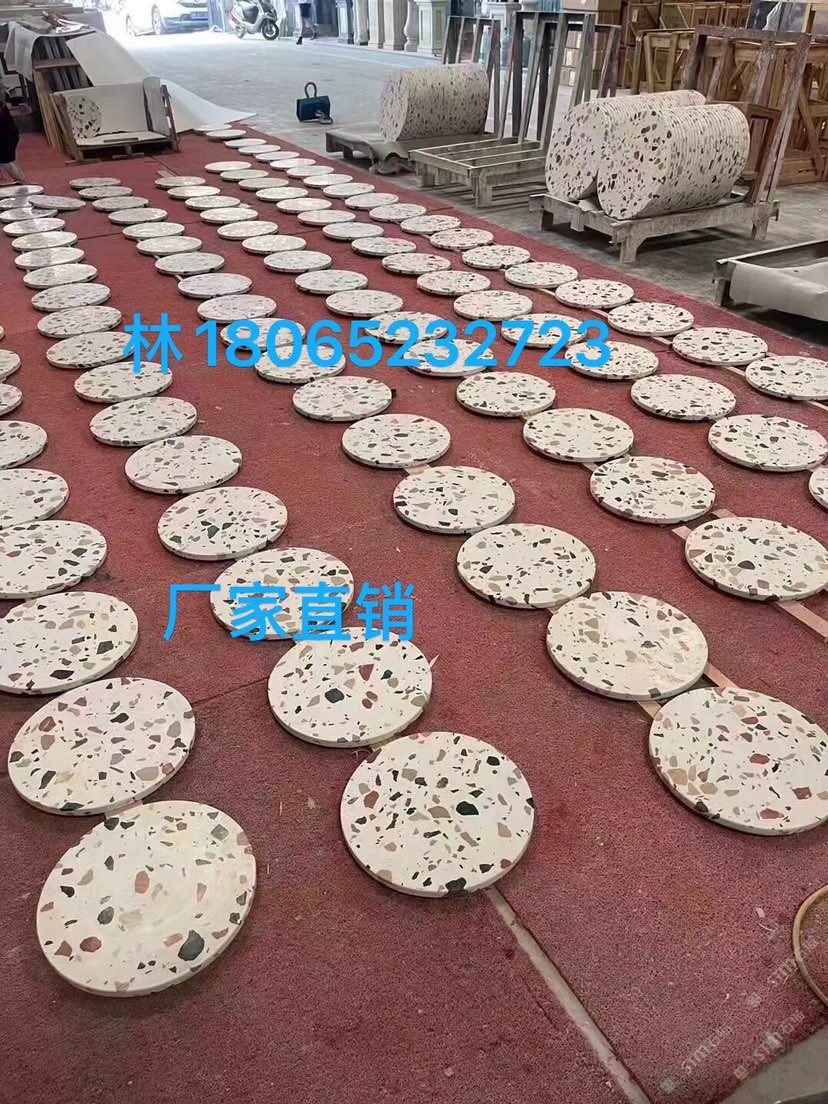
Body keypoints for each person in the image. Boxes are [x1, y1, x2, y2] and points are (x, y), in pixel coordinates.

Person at [0, 85, 27, 184]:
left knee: (5, 162)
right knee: (5, 161)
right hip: (9, 134)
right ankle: (21, 180)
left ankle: (22, 181)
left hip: (6, 136)